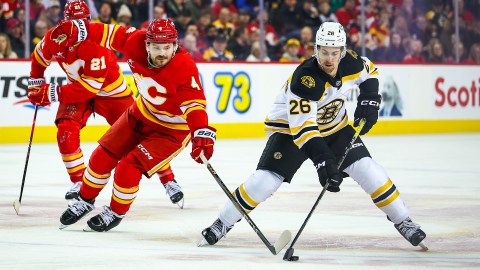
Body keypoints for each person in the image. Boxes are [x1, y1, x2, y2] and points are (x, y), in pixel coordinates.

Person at [199, 22, 427, 250]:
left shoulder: (352, 62)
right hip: (290, 131)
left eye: (334, 53)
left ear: (343, 51)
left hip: (335, 128)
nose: (329, 59)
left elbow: (370, 71)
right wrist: (323, 160)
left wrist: (370, 99)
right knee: (264, 182)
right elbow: (304, 129)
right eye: (324, 52)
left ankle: (403, 220)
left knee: (370, 171)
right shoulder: (305, 79)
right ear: (315, 49)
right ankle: (223, 222)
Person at [51, 18, 215, 232]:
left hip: (171, 130)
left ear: (175, 46)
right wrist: (80, 29)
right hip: (141, 112)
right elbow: (107, 32)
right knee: (101, 156)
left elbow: (194, 107)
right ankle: (85, 200)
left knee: (128, 167)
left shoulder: (184, 68)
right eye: (157, 47)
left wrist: (200, 132)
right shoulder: (134, 41)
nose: (162, 53)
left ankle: (116, 212)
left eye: (167, 47)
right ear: (146, 44)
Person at [27, 0, 185, 207]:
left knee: (140, 136)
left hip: (112, 95)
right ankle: (78, 183)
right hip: (78, 92)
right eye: (72, 21)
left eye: (82, 21)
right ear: (64, 21)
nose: (77, 26)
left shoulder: (96, 46)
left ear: (89, 21)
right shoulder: (56, 36)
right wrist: (35, 82)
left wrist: (51, 92)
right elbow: (39, 56)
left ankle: (168, 179)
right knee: (65, 130)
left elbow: (89, 88)